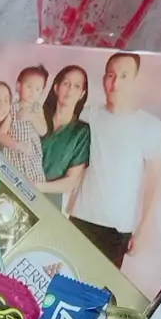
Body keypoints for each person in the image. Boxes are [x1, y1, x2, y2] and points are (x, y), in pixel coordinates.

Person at [69, 52, 161, 269]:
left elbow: (155, 181)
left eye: (124, 76)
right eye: (111, 75)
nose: (115, 84)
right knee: (63, 277)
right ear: (104, 78)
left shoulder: (150, 126)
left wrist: (144, 229)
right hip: (80, 217)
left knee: (100, 287)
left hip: (117, 228)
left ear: (135, 80)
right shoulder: (87, 115)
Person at [33, 65, 90, 210]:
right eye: (66, 84)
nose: (70, 90)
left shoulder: (81, 132)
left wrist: (37, 186)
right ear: (56, 88)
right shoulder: (36, 116)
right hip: (16, 187)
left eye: (76, 86)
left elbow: (71, 181)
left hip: (48, 201)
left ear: (82, 94)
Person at [0, 65, 49, 183]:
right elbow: (0, 136)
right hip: (15, 155)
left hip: (31, 157)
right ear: (18, 86)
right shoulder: (12, 109)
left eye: (37, 89)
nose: (32, 92)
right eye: (29, 87)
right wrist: (18, 145)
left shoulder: (37, 109)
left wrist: (32, 117)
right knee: (13, 182)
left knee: (34, 185)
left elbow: (43, 131)